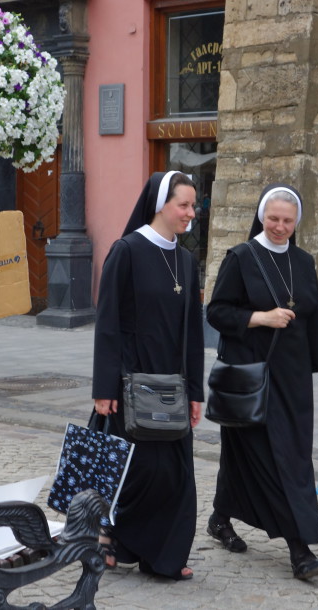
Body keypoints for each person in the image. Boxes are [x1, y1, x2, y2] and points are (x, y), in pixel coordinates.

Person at [205, 184, 318, 580]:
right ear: (262, 217)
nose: (280, 226)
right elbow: (216, 312)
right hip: (252, 376)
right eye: (273, 219)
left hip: (293, 380)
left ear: (297, 221)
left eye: (287, 220)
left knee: (270, 457)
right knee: (274, 460)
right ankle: (300, 551)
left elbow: (315, 324)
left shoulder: (303, 261)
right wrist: (261, 318)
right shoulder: (242, 258)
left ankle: (219, 517)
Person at [92, 171, 204, 581]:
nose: (191, 213)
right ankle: (112, 536)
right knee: (136, 471)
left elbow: (193, 331)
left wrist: (195, 390)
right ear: (161, 204)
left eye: (194, 206)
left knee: (176, 475)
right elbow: (107, 324)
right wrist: (104, 387)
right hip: (130, 382)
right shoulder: (127, 250)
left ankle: (164, 557)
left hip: (172, 387)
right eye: (184, 205)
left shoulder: (187, 261)